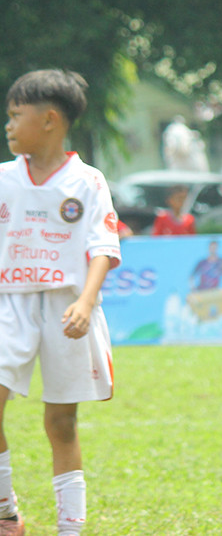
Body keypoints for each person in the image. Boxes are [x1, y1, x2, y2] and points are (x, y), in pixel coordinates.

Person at [0, 69, 122, 536]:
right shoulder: (5, 179)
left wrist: (86, 303)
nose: (9, 125)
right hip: (9, 304)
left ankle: (70, 530)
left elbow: (102, 248)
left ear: (49, 119)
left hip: (67, 308)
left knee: (61, 423)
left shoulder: (88, 181)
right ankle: (6, 513)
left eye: (16, 115)